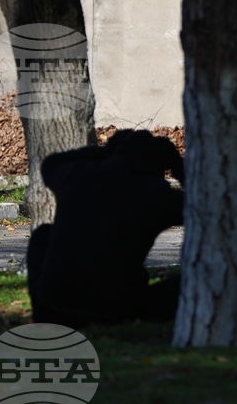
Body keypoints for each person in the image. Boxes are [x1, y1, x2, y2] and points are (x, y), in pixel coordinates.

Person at [27, 129, 185, 326]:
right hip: (116, 308)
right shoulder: (158, 197)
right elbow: (209, 206)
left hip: (55, 303)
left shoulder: (76, 176)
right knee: (196, 279)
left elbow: (51, 161)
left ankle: (44, 312)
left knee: (43, 234)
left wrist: (110, 151)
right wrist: (178, 166)